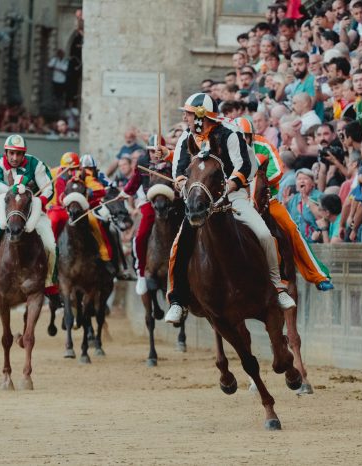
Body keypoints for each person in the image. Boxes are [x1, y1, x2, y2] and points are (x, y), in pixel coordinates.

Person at [164, 93, 295, 324]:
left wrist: (227, 190)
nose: (185, 117)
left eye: (189, 114)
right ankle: (178, 300)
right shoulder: (186, 137)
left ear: (200, 116)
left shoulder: (230, 134)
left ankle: (277, 286)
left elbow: (243, 165)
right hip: (198, 200)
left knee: (264, 234)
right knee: (179, 244)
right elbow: (179, 170)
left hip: (232, 197)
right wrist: (186, 185)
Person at [235, 116, 333, 290]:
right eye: (238, 137)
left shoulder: (264, 146)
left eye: (246, 137)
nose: (243, 141)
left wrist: (253, 179)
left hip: (267, 200)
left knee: (291, 228)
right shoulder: (227, 150)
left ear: (252, 136)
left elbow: (277, 171)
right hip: (236, 201)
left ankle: (318, 275)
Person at [0, 134, 59, 302]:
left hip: (32, 211)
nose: (15, 158)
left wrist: (37, 201)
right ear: (6, 152)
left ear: (24, 154)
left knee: (51, 246)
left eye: (19, 154)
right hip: (6, 212)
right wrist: (15, 189)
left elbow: (48, 189)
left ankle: (50, 286)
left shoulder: (36, 164)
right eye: (11, 153)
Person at [125, 134, 174, 295]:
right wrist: (125, 193)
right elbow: (134, 182)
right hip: (149, 201)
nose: (154, 154)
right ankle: (141, 275)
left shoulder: (171, 162)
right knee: (140, 236)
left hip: (171, 201)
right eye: (152, 151)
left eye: (157, 151)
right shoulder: (142, 163)